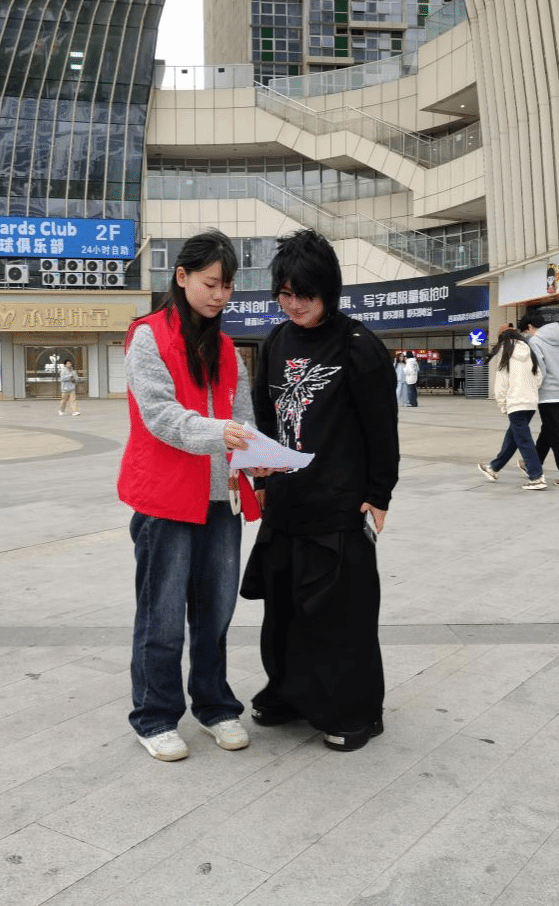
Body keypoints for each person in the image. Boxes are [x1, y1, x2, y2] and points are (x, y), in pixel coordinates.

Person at [241, 229, 400, 752]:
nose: (294, 305)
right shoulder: (275, 342)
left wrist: (380, 494)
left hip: (338, 506)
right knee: (284, 611)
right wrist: (261, 477)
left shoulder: (358, 345)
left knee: (339, 616)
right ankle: (290, 695)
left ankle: (353, 712)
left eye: (304, 295)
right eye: (285, 295)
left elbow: (382, 428)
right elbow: (265, 419)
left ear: (328, 290)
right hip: (287, 505)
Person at [118, 229, 266, 763]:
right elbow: (160, 415)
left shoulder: (226, 348)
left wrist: (257, 460)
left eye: (227, 286)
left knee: (215, 613)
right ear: (181, 277)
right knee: (161, 617)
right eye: (210, 283)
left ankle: (214, 705)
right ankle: (155, 715)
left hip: (220, 501)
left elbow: (243, 417)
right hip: (165, 501)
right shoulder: (147, 337)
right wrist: (220, 432)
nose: (220, 295)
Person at [520, 311, 559, 486]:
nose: (526, 336)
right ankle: (532, 464)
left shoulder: (535, 341)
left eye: (525, 332)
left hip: (547, 394)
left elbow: (539, 368)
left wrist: (532, 389)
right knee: (549, 430)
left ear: (530, 327)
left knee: (556, 434)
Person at [476, 329, 546, 490]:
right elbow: (538, 376)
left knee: (523, 440)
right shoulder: (528, 349)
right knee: (514, 436)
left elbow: (502, 381)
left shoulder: (505, 350)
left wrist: (502, 404)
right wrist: (530, 391)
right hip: (530, 402)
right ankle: (494, 468)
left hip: (516, 402)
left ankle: (537, 477)